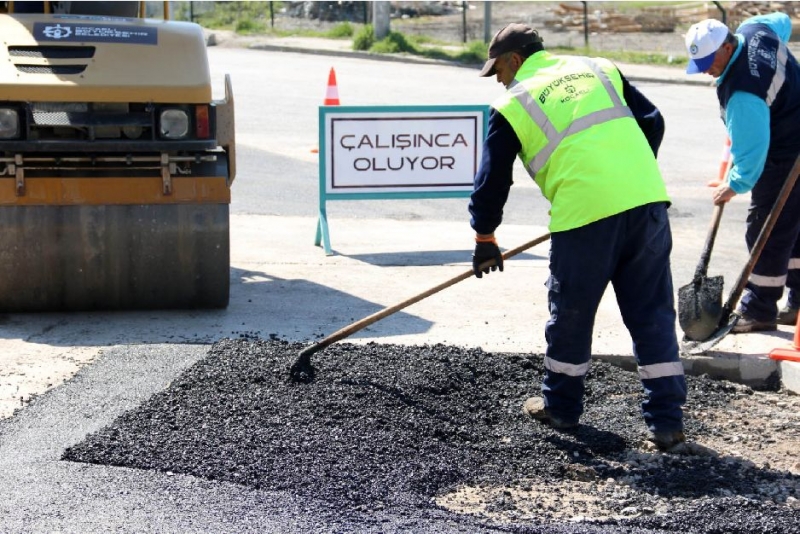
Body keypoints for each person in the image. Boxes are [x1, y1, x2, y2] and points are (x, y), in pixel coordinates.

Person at [469, 23, 687, 450]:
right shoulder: (598, 68)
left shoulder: (514, 102)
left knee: (572, 313)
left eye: (497, 69)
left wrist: (484, 237)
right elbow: (652, 121)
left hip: (585, 218)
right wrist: (627, 177)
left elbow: (493, 178)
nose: (498, 79)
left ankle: (562, 409)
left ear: (514, 59)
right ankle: (667, 424)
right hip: (646, 203)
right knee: (653, 315)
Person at [684, 13, 800, 332]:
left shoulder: (743, 92)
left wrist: (733, 185)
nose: (707, 70)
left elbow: (752, 152)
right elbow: (783, 21)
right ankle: (798, 302)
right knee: (793, 225)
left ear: (726, 46)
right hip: (792, 132)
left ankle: (759, 309)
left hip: (785, 152)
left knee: (767, 230)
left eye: (710, 61)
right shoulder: (757, 29)